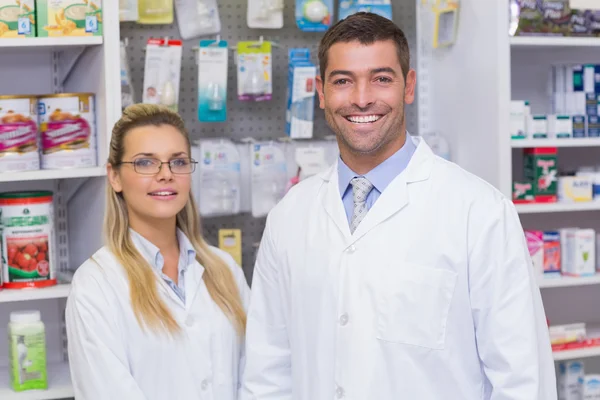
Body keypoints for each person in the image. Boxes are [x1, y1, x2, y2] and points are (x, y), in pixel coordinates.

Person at [241, 12, 557, 400]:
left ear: (408, 86)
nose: (361, 98)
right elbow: (267, 372)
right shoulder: (290, 216)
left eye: (381, 78)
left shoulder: (480, 212)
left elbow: (523, 379)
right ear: (321, 91)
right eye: (343, 81)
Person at [65, 104, 249, 400]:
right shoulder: (95, 285)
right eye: (145, 163)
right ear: (115, 177)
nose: (166, 174)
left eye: (177, 162)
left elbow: (254, 378)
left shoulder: (224, 269)